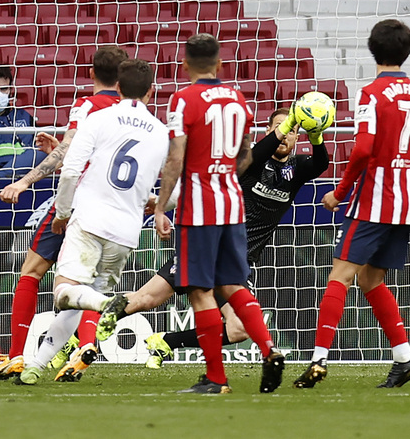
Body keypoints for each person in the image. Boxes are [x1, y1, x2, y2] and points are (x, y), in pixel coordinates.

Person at [107, 105, 329, 369]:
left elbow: (321, 163)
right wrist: (288, 123)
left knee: (239, 329)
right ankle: (81, 336)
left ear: (297, 137)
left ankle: (167, 341)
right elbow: (258, 154)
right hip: (210, 248)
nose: (285, 135)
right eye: (280, 128)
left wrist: (316, 134)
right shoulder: (251, 159)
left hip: (237, 261)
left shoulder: (297, 169)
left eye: (292, 130)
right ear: (269, 130)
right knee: (144, 300)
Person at [294, 19, 410, 390]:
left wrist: (340, 192)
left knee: (340, 275)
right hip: (407, 204)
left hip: (374, 200)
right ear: (406, 51)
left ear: (372, 48)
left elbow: (362, 150)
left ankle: (318, 359)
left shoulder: (372, 94)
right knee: (371, 279)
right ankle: (405, 357)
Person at [16, 59, 169, 385]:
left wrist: (62, 213)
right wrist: (158, 206)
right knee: (77, 304)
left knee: (64, 293)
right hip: (126, 232)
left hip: (89, 220)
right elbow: (171, 183)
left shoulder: (98, 117)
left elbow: (71, 170)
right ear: (151, 91)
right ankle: (36, 366)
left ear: (118, 87)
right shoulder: (160, 132)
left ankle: (106, 304)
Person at [153, 33, 285, 394]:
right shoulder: (238, 99)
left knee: (199, 291)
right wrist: (224, 173)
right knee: (232, 284)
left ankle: (216, 378)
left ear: (184, 64)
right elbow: (246, 155)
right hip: (232, 203)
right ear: (220, 64)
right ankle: (269, 349)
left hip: (199, 208)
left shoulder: (183, 99)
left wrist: (161, 206)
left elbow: (175, 157)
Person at [0, 45, 128, 381]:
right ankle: (87, 345)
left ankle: (16, 355)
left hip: (76, 200)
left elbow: (70, 151)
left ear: (91, 73)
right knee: (91, 282)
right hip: (112, 206)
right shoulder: (131, 112)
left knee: (31, 272)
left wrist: (24, 181)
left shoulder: (88, 105)